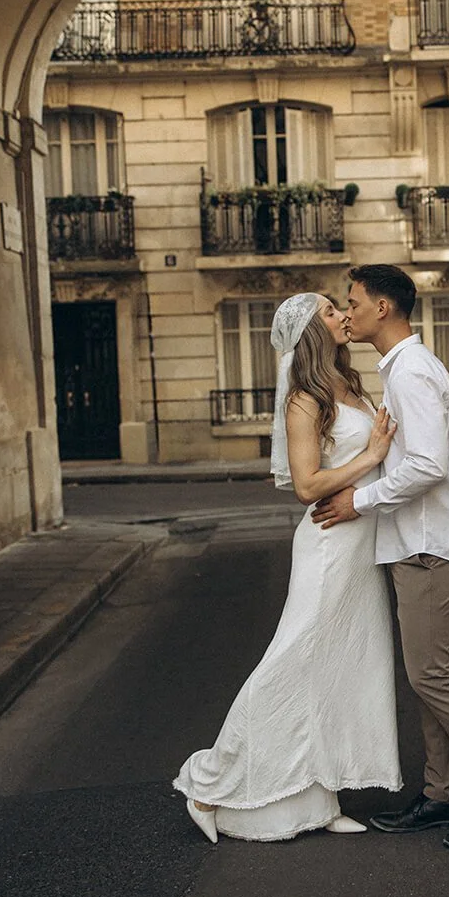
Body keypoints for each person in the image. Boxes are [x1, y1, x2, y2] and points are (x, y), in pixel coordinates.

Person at [312, 264, 449, 850]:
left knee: (433, 675)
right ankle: (441, 795)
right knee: (428, 677)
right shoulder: (404, 367)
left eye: (353, 301)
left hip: (430, 545)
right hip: (418, 542)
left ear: (383, 308)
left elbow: (429, 465)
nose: (348, 310)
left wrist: (361, 500)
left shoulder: (409, 371)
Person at [173, 292, 402, 842]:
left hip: (360, 549)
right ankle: (208, 785)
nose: (344, 315)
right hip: (328, 547)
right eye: (331, 311)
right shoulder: (304, 399)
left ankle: (321, 797)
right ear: (310, 332)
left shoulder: (350, 384)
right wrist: (370, 457)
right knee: (292, 663)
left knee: (341, 671)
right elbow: (305, 486)